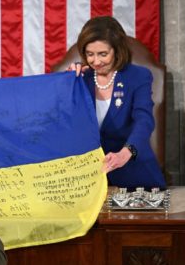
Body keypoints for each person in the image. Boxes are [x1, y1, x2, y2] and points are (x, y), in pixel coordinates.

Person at [68, 16, 166, 189]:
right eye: (90, 54)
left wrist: (127, 152)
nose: (96, 61)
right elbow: (60, 122)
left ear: (117, 50)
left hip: (133, 175)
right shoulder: (80, 78)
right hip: (88, 180)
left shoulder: (138, 76)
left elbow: (144, 120)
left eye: (103, 54)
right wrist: (66, 83)